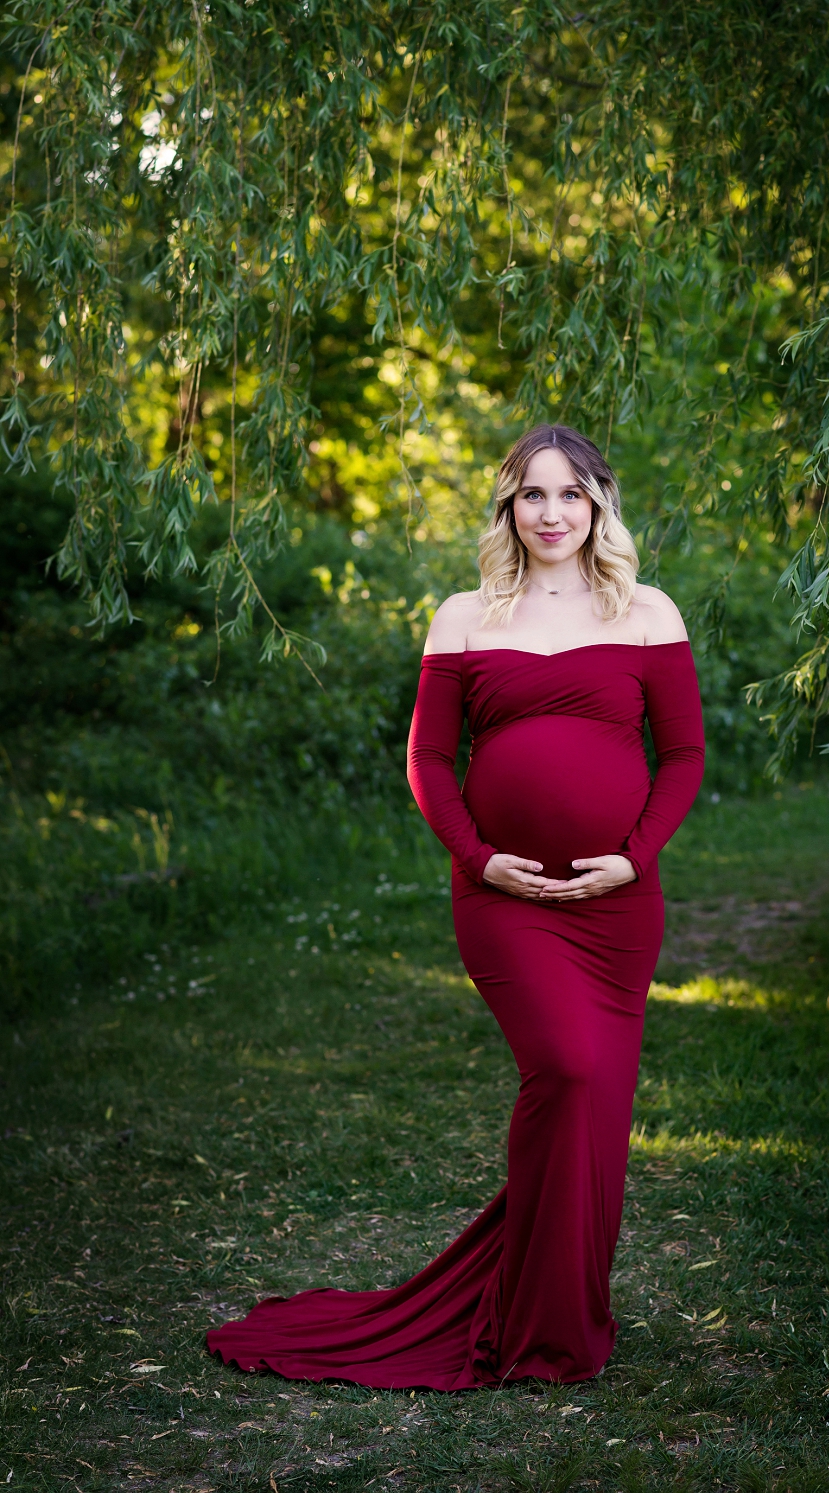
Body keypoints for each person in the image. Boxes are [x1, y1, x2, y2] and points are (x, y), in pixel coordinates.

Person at [207, 424, 705, 1388]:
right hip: (503, 898)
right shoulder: (465, 614)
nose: (551, 513)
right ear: (507, 509)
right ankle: (531, 1318)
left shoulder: (647, 611)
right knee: (560, 1069)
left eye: (570, 494)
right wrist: (479, 861)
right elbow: (429, 760)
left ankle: (559, 1319)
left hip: (616, 905)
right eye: (531, 495)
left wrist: (635, 861)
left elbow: (681, 756)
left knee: (597, 1105)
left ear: (599, 502)